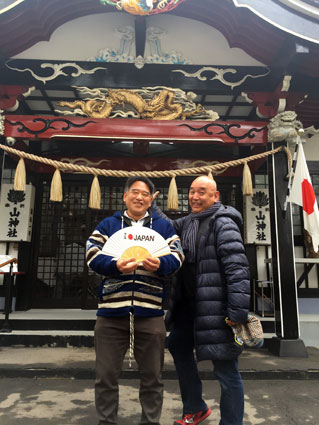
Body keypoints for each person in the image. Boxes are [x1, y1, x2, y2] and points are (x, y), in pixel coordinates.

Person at [86, 176, 184, 425]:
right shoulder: (109, 225)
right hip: (110, 314)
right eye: (134, 192)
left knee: (153, 377)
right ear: (125, 196)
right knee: (105, 376)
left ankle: (150, 421)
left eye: (145, 194)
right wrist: (114, 264)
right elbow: (91, 254)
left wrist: (161, 263)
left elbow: (178, 256)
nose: (139, 197)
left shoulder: (162, 227)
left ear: (152, 199)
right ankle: (106, 421)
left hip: (150, 313)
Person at [153, 175, 250, 425]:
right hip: (190, 307)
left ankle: (231, 422)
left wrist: (236, 313)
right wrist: (152, 208)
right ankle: (196, 407)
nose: (195, 197)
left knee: (226, 370)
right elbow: (170, 227)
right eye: (192, 191)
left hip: (218, 310)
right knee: (177, 345)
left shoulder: (223, 223)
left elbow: (237, 270)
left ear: (215, 196)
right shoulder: (190, 222)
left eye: (202, 192)